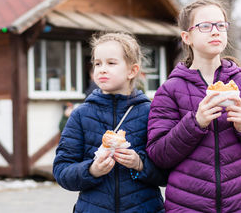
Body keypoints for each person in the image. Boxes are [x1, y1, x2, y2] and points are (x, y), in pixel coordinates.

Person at [146, 0, 241, 213]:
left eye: (220, 25)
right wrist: (195, 123)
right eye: (205, 26)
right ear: (186, 37)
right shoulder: (169, 90)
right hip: (187, 206)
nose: (215, 31)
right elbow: (159, 155)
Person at [54, 32, 166, 213]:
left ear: (132, 70)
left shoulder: (151, 112)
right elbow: (61, 171)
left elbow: (167, 173)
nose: (102, 69)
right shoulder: (81, 115)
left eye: (111, 63)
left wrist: (140, 164)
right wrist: (91, 170)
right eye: (97, 63)